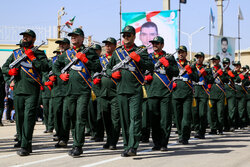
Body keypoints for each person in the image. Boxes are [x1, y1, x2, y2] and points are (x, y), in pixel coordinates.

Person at [53, 28, 101, 157]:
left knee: (80, 117)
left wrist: (85, 60)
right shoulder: (66, 54)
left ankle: (78, 145)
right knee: (73, 118)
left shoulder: (89, 52)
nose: (73, 38)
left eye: (76, 36)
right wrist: (60, 75)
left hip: (83, 90)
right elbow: (55, 66)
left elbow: (98, 67)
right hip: (69, 91)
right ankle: (75, 142)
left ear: (82, 38)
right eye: (72, 36)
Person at [106, 25, 154, 157]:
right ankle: (127, 146)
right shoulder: (117, 52)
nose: (126, 38)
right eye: (124, 35)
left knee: (135, 119)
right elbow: (108, 68)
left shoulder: (141, 51)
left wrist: (139, 59)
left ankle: (133, 147)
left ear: (134, 36)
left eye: (128, 35)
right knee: (125, 120)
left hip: (135, 90)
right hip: (121, 90)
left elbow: (151, 66)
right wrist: (112, 74)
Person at [2, 29, 49, 156]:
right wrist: (9, 74)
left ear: (34, 39)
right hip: (18, 90)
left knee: (29, 118)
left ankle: (25, 145)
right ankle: (25, 143)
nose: (25, 38)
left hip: (32, 91)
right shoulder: (16, 54)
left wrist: (33, 58)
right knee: (20, 118)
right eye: (24, 36)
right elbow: (4, 68)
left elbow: (45, 67)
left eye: (28, 37)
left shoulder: (39, 54)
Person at [146, 36, 179, 151]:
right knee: (154, 120)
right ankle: (156, 143)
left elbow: (176, 72)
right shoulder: (148, 57)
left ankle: (164, 143)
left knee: (165, 119)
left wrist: (168, 65)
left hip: (165, 92)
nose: (155, 45)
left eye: (157, 43)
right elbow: (141, 71)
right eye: (153, 43)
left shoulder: (169, 57)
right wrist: (146, 77)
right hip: (152, 91)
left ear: (162, 45)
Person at [93, 37, 121, 149]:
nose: (107, 46)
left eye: (110, 44)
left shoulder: (118, 59)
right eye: (106, 45)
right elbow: (95, 73)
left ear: (115, 46)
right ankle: (109, 139)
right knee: (106, 118)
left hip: (115, 92)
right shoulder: (101, 60)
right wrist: (95, 82)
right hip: (103, 93)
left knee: (115, 118)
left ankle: (113, 141)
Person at [172, 45, 199, 144]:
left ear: (186, 54)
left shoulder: (190, 65)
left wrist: (190, 72)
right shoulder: (174, 64)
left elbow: (196, 78)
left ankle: (185, 136)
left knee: (186, 116)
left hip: (187, 93)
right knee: (177, 116)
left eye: (182, 52)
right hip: (175, 92)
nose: (180, 54)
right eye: (179, 52)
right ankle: (180, 134)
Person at [50, 38, 71, 147]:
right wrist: (50, 78)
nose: (61, 45)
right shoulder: (54, 59)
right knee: (57, 113)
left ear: (68, 45)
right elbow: (49, 70)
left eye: (63, 44)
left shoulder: (72, 56)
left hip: (68, 89)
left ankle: (64, 138)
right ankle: (59, 134)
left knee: (65, 115)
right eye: (60, 44)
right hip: (56, 90)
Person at [192, 52, 214, 139]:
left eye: (200, 57)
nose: (198, 59)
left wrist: (205, 74)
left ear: (203, 58)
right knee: (195, 113)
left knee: (202, 113)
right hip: (194, 91)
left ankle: (201, 132)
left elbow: (211, 80)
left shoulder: (207, 69)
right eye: (197, 57)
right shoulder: (193, 67)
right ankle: (197, 130)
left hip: (203, 92)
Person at [208, 54, 229, 135]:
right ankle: (213, 128)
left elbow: (226, 80)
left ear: (219, 61)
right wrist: (215, 74)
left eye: (215, 60)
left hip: (220, 93)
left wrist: (222, 74)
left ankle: (220, 129)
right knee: (211, 112)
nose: (214, 61)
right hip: (212, 92)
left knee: (220, 112)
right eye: (213, 60)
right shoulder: (210, 70)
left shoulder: (223, 70)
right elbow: (209, 79)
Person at [88, 43, 104, 142]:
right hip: (90, 88)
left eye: (96, 50)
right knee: (91, 112)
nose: (94, 52)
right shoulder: (90, 61)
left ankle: (99, 134)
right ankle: (92, 131)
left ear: (99, 51)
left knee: (99, 113)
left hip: (100, 89)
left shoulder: (102, 60)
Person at [232, 61, 249, 129]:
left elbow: (247, 82)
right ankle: (234, 124)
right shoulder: (232, 73)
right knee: (234, 110)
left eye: (237, 65)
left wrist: (243, 77)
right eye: (235, 65)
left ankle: (242, 124)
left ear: (239, 66)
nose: (236, 67)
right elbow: (233, 79)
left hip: (242, 94)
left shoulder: (244, 74)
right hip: (234, 94)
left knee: (241, 110)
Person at [222, 58, 237, 132]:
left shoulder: (232, 71)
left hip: (231, 92)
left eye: (227, 63)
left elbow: (236, 78)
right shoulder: (221, 71)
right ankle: (225, 125)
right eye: (224, 63)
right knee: (224, 110)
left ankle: (231, 125)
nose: (225, 64)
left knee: (231, 110)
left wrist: (229, 73)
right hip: (223, 92)